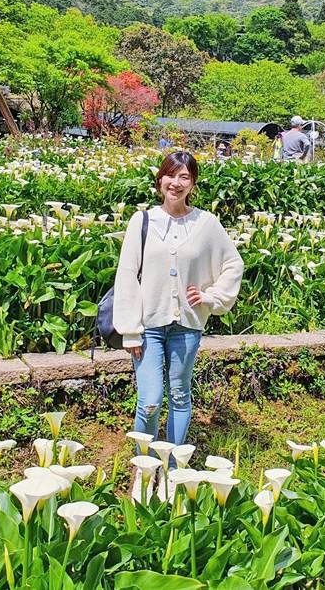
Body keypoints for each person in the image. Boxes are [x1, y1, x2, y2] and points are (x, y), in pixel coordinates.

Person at [113, 151, 244, 457]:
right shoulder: (142, 221)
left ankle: (173, 468)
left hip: (187, 326)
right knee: (150, 401)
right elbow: (128, 273)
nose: (176, 183)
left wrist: (211, 297)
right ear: (160, 180)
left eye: (184, 177)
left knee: (181, 396)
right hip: (149, 327)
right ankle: (145, 470)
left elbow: (233, 264)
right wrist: (130, 329)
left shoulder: (206, 223)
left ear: (193, 183)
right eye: (170, 175)